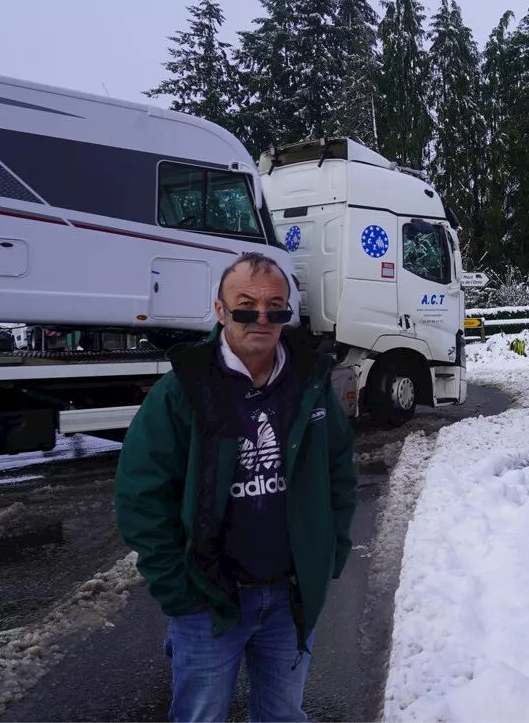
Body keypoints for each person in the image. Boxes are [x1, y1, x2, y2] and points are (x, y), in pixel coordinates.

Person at [114, 251, 358, 722]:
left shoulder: (311, 383)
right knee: (200, 716)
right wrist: (178, 590)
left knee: (283, 715)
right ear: (221, 311)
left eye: (275, 307)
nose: (261, 318)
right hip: (208, 601)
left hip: (289, 600)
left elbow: (340, 473)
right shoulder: (185, 388)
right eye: (245, 306)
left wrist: (329, 553)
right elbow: (140, 494)